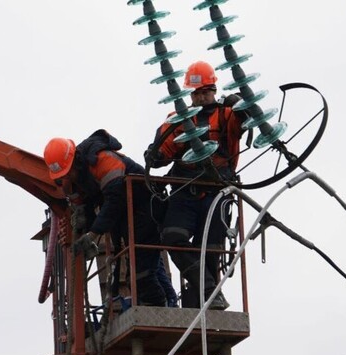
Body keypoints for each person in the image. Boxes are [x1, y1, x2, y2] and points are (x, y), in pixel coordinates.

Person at [146, 60, 247, 310]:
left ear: (213, 90)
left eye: (206, 92)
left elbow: (246, 119)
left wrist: (241, 104)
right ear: (190, 95)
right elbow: (161, 153)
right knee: (172, 237)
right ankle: (208, 290)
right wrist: (155, 155)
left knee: (212, 249)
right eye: (197, 93)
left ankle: (207, 295)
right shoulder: (177, 120)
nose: (202, 97)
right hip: (185, 191)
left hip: (217, 191)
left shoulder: (226, 114)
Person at [43, 129, 166, 307]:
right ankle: (156, 305)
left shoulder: (102, 160)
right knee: (137, 269)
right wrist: (86, 230)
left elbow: (116, 198)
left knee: (143, 270)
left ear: (75, 161)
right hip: (128, 215)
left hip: (146, 208)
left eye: (67, 174)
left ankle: (159, 308)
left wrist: (93, 234)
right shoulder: (78, 177)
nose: (66, 179)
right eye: (62, 178)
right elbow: (89, 206)